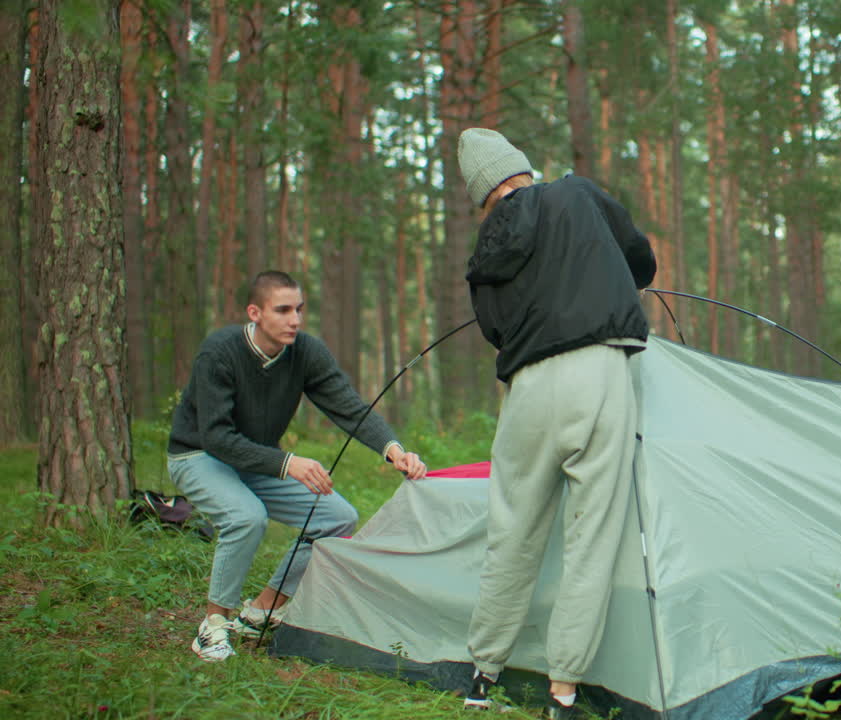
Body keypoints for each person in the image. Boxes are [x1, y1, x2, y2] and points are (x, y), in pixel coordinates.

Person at [455, 128, 657, 719]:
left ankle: (482, 675)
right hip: (597, 373)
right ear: (521, 169)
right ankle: (562, 692)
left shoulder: (483, 249)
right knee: (590, 537)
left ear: (483, 194)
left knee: (512, 533)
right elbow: (638, 257)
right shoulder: (576, 195)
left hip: (525, 391)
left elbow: (494, 329)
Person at [167, 270, 429, 662]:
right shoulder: (219, 352)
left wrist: (393, 449)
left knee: (336, 517)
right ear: (255, 312)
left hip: (255, 460)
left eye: (299, 309)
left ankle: (259, 612)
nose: (295, 320)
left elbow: (349, 406)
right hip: (198, 456)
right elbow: (216, 437)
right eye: (283, 310)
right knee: (247, 517)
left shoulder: (305, 353)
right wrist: (287, 462)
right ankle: (214, 624)